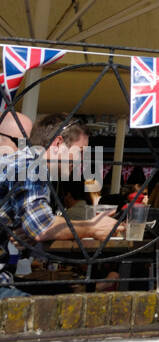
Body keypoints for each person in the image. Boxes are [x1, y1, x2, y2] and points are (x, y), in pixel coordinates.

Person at [0, 115, 117, 297]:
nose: (80, 161)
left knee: (66, 295)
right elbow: (42, 227)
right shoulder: (29, 166)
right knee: (60, 311)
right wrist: (93, 227)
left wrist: (22, 229)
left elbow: (34, 227)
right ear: (57, 143)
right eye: (80, 151)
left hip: (7, 276)